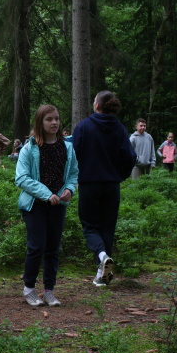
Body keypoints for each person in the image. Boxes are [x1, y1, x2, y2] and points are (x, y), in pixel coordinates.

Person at [72, 91, 136, 287]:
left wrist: (75, 177)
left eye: (94, 101)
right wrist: (120, 175)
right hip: (111, 186)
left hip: (89, 184)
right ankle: (101, 274)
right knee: (107, 227)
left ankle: (102, 257)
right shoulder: (120, 128)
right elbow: (130, 157)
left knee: (90, 226)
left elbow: (73, 154)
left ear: (97, 105)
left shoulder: (84, 126)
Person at [16, 105, 78, 307]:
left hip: (58, 205)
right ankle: (29, 289)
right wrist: (46, 194)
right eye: (49, 119)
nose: (54, 123)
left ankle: (49, 291)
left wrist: (69, 190)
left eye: (57, 119)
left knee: (53, 248)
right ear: (40, 122)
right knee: (37, 246)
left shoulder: (67, 147)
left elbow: (73, 174)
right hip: (34, 204)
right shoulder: (30, 148)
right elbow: (21, 178)